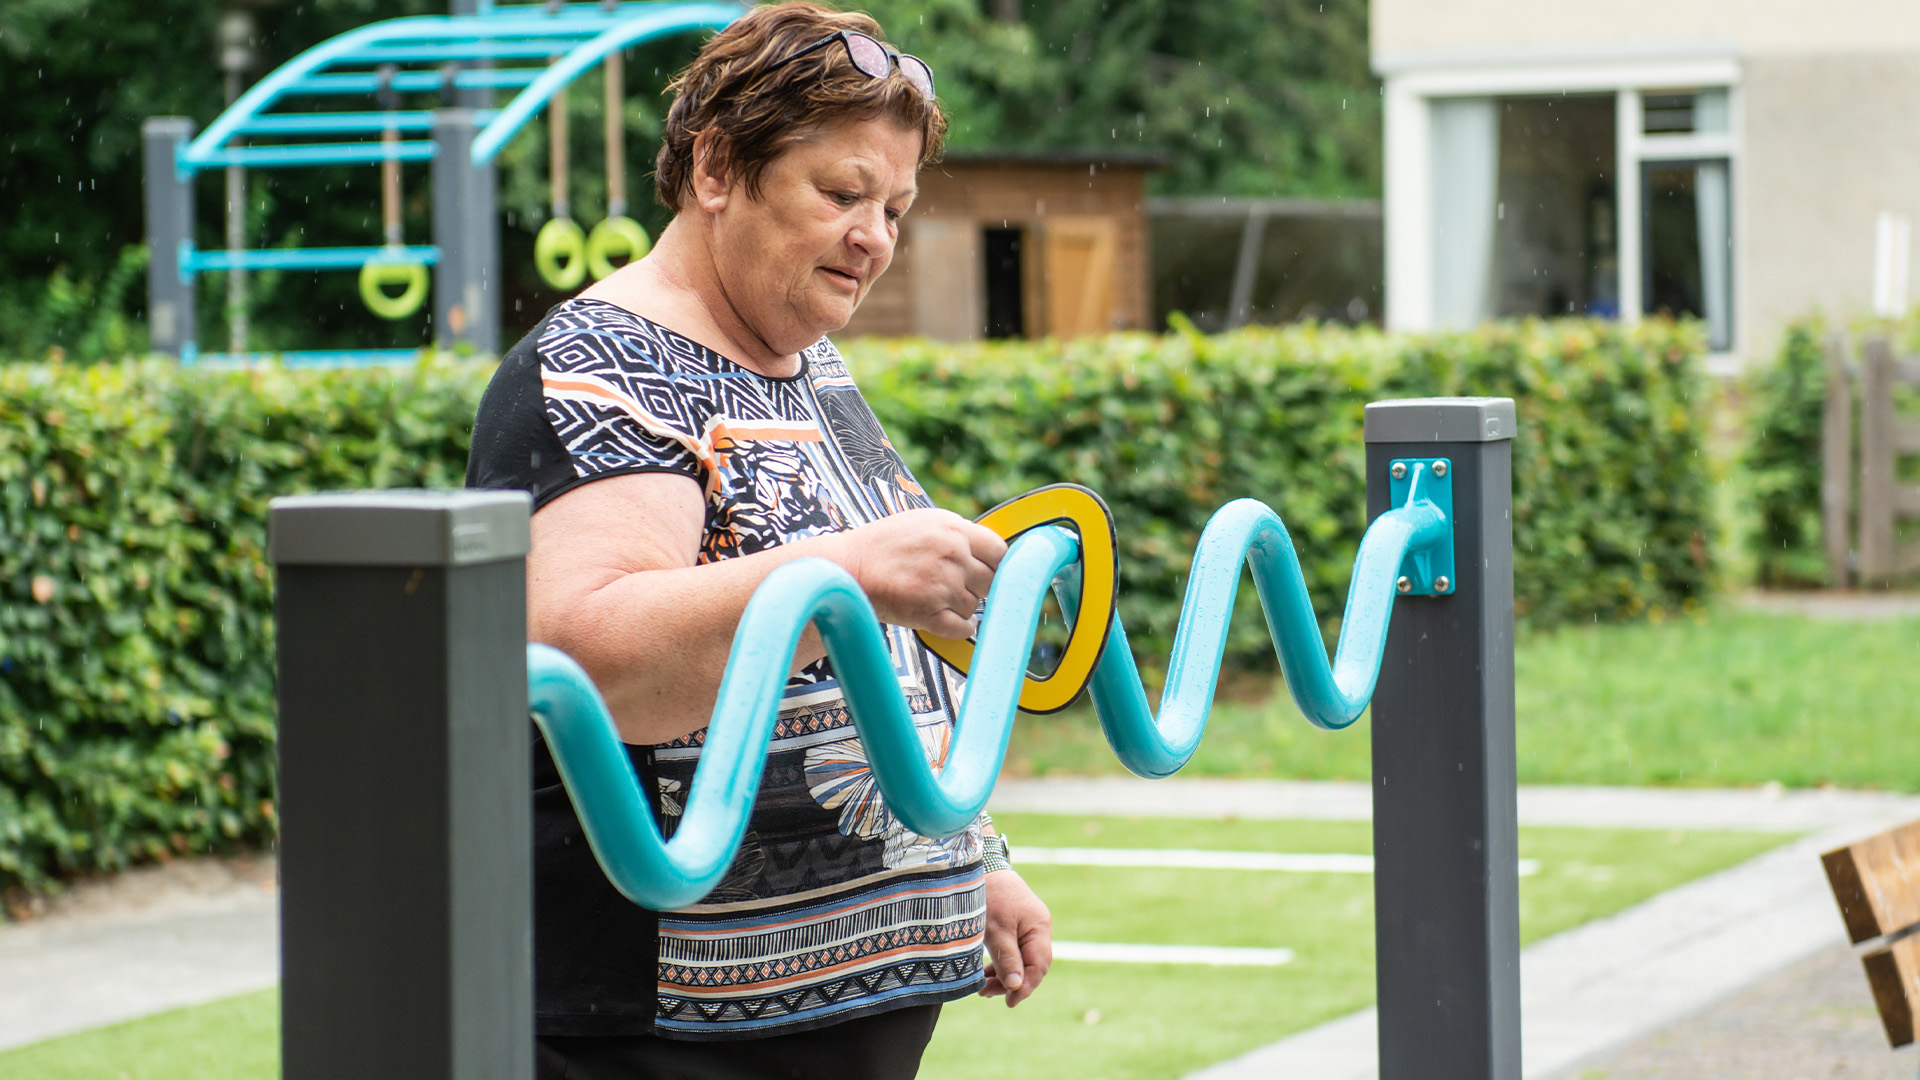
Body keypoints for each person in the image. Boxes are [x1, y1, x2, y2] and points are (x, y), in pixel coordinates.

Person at [465, 5, 1052, 1077]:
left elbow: (879, 678)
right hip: (654, 1038)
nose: (876, 236)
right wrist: (852, 573)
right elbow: (588, 663)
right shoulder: (607, 360)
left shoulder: (803, 360)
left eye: (896, 206)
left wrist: (972, 859)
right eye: (840, 194)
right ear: (718, 169)